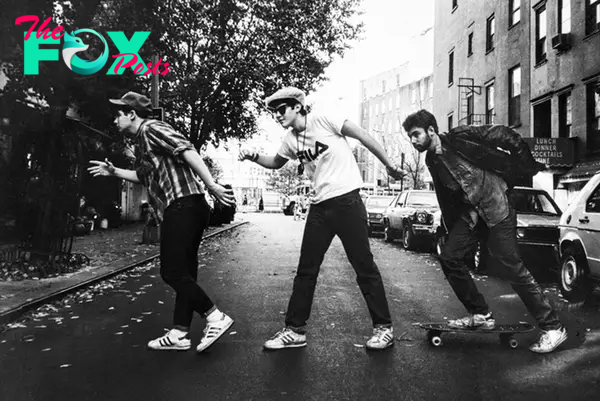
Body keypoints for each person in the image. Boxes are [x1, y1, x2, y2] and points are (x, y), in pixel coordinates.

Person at [239, 87, 405, 350]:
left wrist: (388, 164)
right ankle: (295, 330)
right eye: (274, 112)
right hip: (319, 207)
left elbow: (363, 136)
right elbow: (275, 162)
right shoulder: (290, 140)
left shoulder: (325, 119)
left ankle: (383, 328)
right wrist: (253, 156)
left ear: (296, 107)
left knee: (363, 266)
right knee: (306, 269)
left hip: (347, 201)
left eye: (281, 110)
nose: (278, 116)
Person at [402, 109, 567, 354]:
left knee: (509, 265)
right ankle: (480, 314)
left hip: (496, 204)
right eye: (410, 137)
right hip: (471, 215)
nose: (413, 140)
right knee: (450, 257)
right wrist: (451, 228)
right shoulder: (431, 161)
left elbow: (502, 134)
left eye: (416, 134)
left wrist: (525, 166)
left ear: (431, 130)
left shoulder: (460, 137)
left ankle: (553, 327)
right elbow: (447, 198)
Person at [88, 92, 236, 353]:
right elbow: (143, 176)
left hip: (184, 205)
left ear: (131, 113)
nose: (114, 120)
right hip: (187, 206)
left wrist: (211, 184)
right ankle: (180, 332)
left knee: (172, 272)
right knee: (184, 274)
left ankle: (215, 317)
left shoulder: (152, 128)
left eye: (118, 114)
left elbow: (186, 149)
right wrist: (113, 172)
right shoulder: (143, 143)